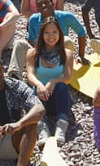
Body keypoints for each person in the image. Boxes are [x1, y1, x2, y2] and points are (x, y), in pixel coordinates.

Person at [9, 0, 97, 71]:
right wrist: (32, 58)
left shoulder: (66, 16)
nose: (43, 5)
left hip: (59, 53)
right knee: (19, 43)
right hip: (40, 54)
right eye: (40, 4)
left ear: (53, 4)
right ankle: (15, 75)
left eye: (46, 3)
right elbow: (31, 40)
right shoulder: (33, 19)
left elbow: (81, 33)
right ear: (37, 8)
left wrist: (81, 55)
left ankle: (60, 70)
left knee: (66, 40)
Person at [26, 17, 76, 145]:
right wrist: (39, 85)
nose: (51, 36)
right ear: (42, 35)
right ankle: (42, 128)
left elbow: (68, 78)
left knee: (62, 86)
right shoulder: (32, 53)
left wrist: (53, 81)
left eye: (54, 32)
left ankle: (61, 126)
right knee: (31, 91)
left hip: (60, 98)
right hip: (41, 96)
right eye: (47, 33)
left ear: (60, 33)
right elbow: (30, 75)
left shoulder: (67, 54)